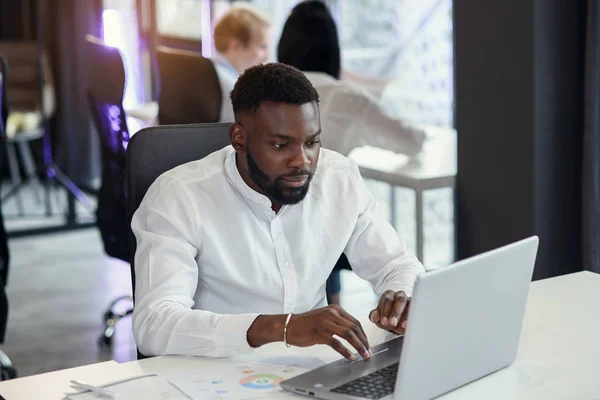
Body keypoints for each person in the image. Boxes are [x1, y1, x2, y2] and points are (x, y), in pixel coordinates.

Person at [131, 63, 425, 360]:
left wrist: (400, 298)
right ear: (239, 138)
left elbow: (397, 265)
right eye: (280, 145)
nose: (302, 161)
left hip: (312, 368)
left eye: (312, 142)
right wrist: (281, 328)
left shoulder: (338, 177)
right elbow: (153, 324)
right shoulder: (179, 195)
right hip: (216, 372)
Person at [278, 0, 426, 304]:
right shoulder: (348, 100)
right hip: (321, 228)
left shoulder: (259, 97)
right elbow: (411, 139)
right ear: (334, 50)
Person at [211, 3, 271, 123]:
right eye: (262, 46)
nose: (266, 57)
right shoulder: (232, 88)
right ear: (235, 46)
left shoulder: (206, 70)